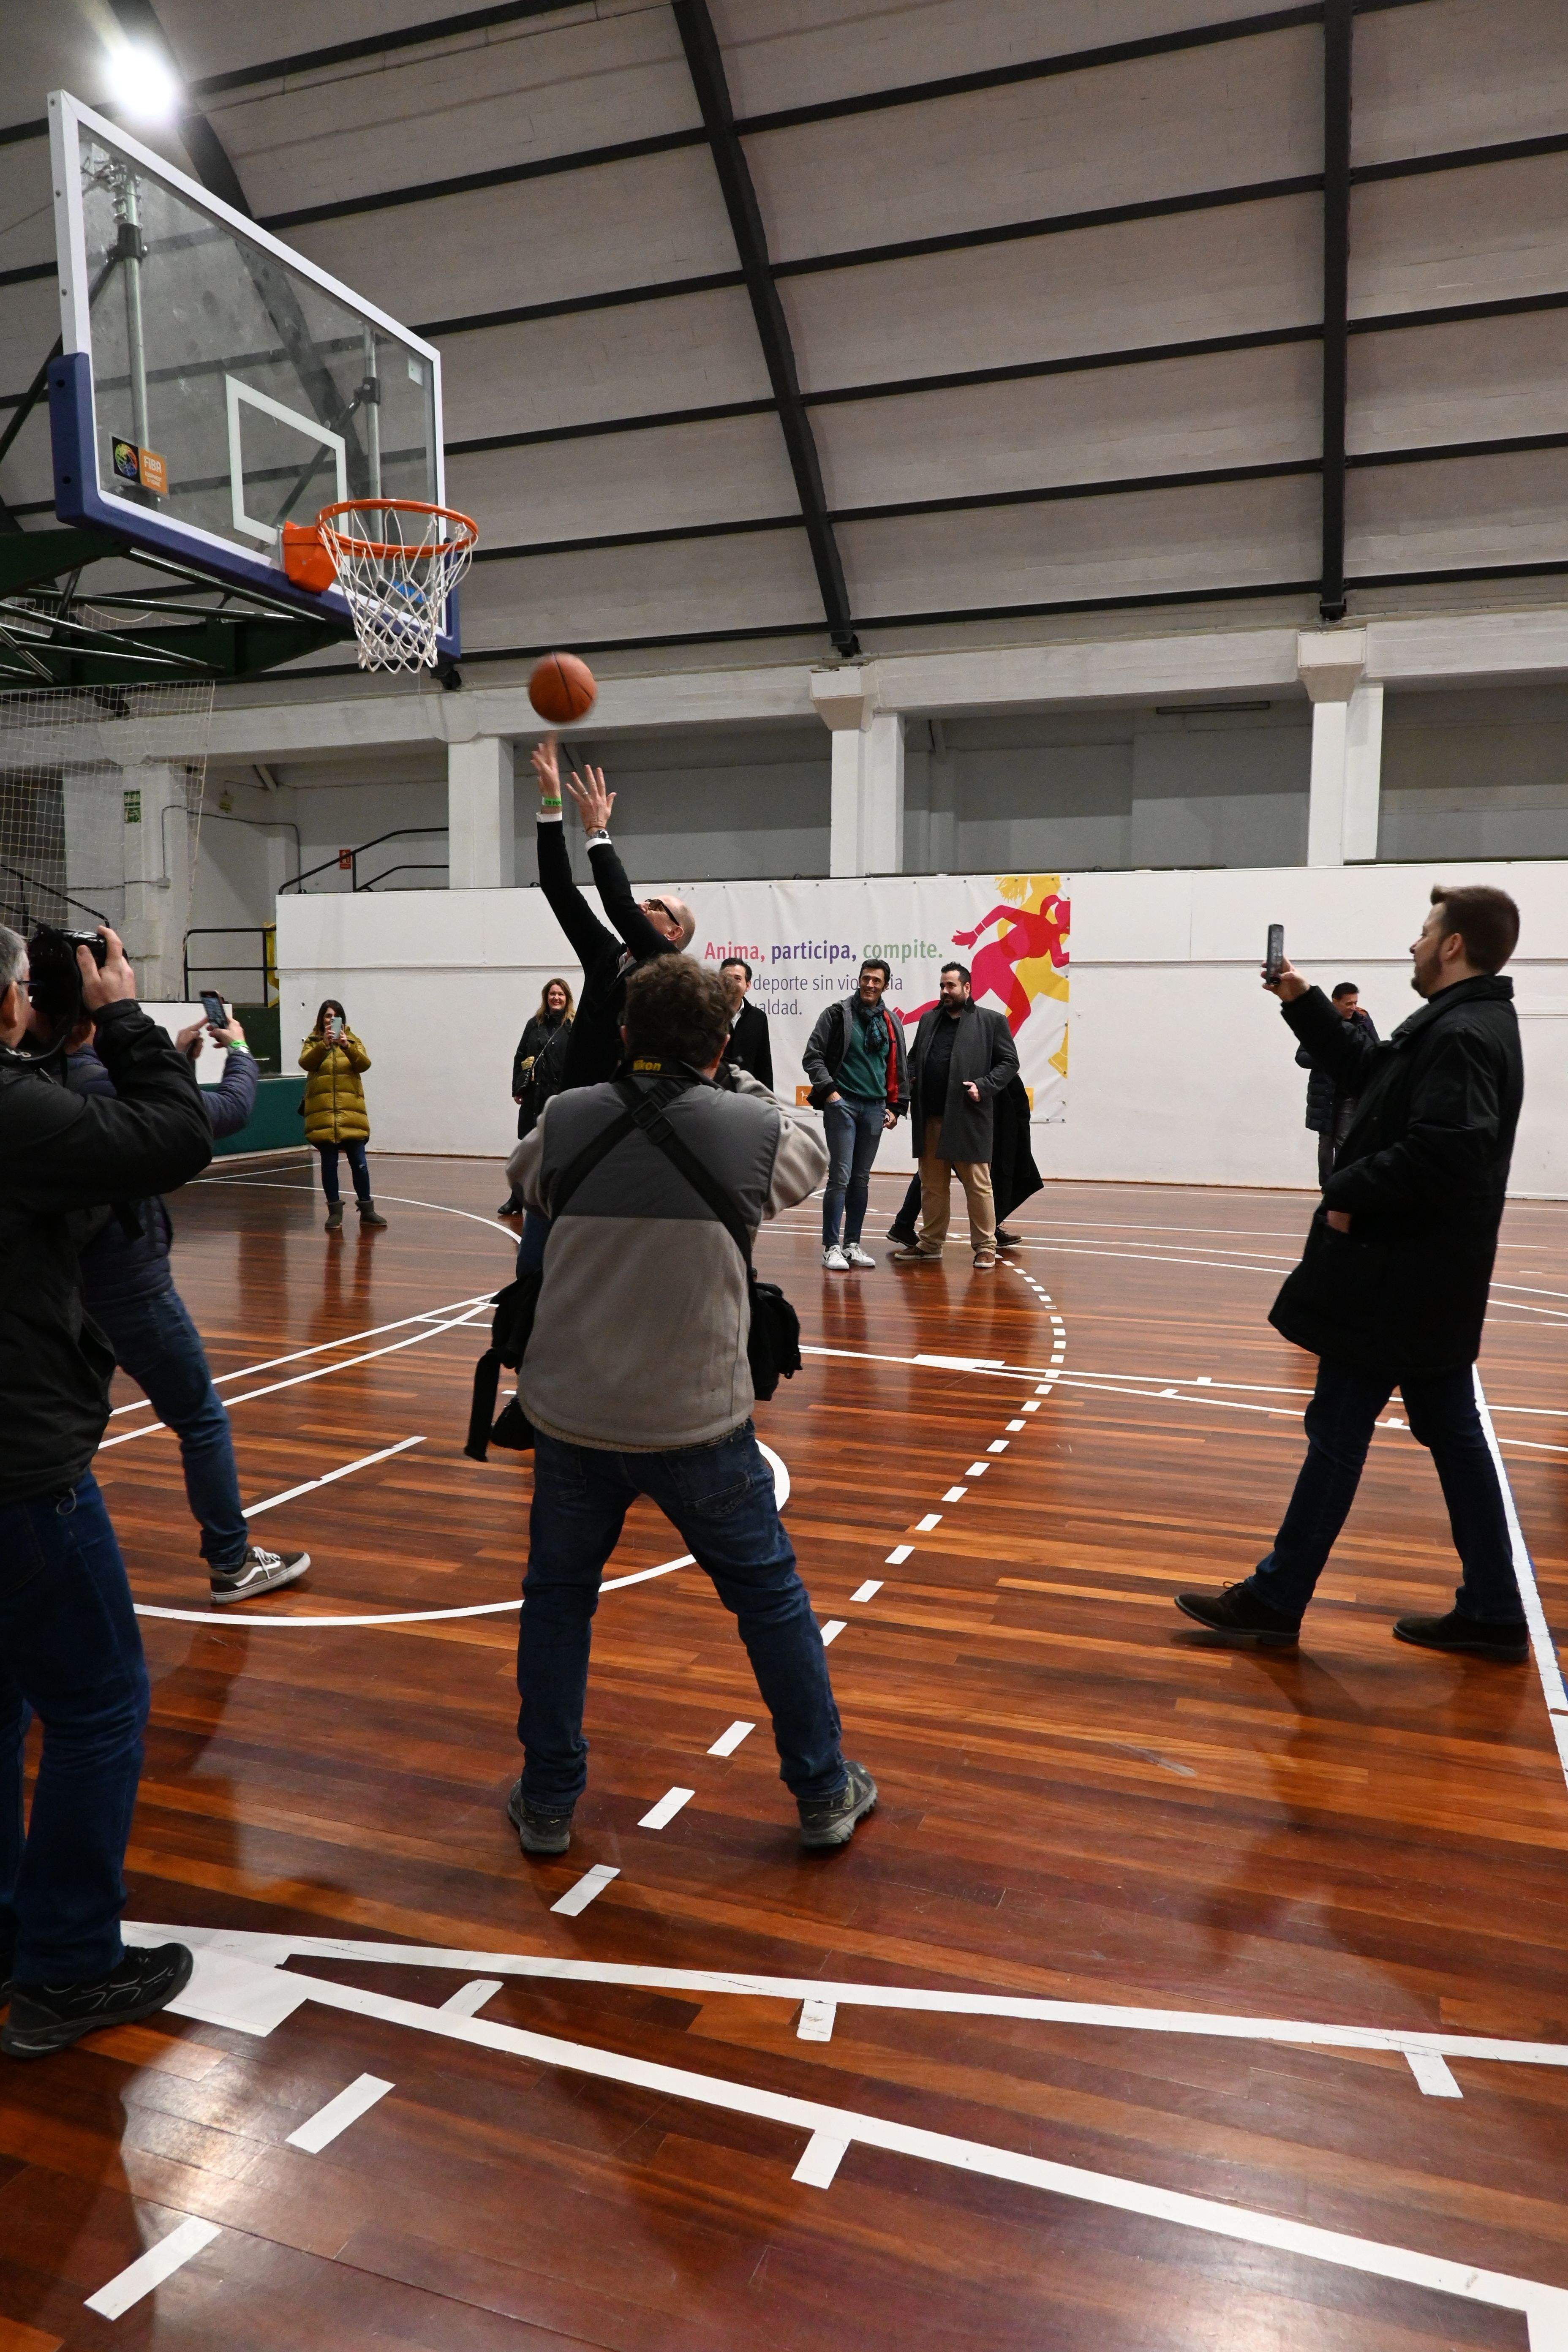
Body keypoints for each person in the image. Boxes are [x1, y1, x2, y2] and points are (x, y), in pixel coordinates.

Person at [506, 954, 876, 1855]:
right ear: (721, 1043)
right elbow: (810, 1155)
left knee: (558, 1603)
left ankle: (549, 1801)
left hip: (571, 1412)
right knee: (769, 1602)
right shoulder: (749, 1128)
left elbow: (529, 1187)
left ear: (625, 1036)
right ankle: (822, 1790)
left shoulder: (564, 1119)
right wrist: (731, 1075)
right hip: (698, 1420)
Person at [1177, 884, 1528, 1661]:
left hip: (1397, 1278)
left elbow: (1448, 1149)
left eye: (1424, 930)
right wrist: (1301, 1001)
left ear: (1452, 945)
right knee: (1447, 1431)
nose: (1411, 943)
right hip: (1423, 1280)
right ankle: (1495, 1607)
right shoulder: (1458, 1022)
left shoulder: (1464, 1032)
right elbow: (1371, 1075)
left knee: (1337, 1428)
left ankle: (1276, 1596)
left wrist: (1345, 1187)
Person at [0, 922, 212, 2057]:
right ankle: (70, 1963)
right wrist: (123, 1013)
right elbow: (172, 1136)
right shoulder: (17, 1110)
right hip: (23, 1467)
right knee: (98, 1703)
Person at [66, 1007, 310, 1607]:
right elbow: (228, 1110)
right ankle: (231, 1561)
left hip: (69, 1292)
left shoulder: (45, 1082)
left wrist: (171, 1065)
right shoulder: (100, 1086)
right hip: (131, 1289)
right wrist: (243, 1049)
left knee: (70, 1433)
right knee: (201, 1420)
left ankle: (58, 1567)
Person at [522, 737, 693, 1269]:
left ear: (673, 931)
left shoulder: (665, 963)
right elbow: (557, 887)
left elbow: (619, 903)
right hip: (573, 1116)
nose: (646, 902)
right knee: (537, 1257)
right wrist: (551, 808)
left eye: (658, 905)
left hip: (623, 1127)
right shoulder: (607, 956)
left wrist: (597, 831)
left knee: (598, 1257)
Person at [893, 962, 1019, 1270]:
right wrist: (910, 1077)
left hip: (969, 1118)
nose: (945, 992)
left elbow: (1009, 1063)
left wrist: (983, 1086)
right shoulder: (928, 1020)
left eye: (951, 986)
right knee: (932, 1186)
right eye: (942, 986)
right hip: (931, 1119)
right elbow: (912, 1059)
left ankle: (986, 1247)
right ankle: (931, 1244)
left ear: (967, 988)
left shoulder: (992, 1022)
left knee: (978, 1185)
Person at [802, 959, 908, 1271]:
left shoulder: (891, 1022)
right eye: (866, 979)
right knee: (841, 1177)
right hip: (843, 1105)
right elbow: (813, 1056)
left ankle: (852, 1245)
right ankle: (830, 1247)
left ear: (886, 985)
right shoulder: (837, 1014)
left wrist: (896, 1107)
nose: (870, 985)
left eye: (877, 981)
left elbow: (900, 1067)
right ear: (858, 980)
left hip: (876, 1108)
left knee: (861, 1180)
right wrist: (831, 1093)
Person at [887, 1070, 1039, 1250]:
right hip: (961, 1100)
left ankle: (905, 1225)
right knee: (942, 1170)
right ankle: (907, 1226)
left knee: (948, 1169)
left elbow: (1007, 1059)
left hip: (984, 1092)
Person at [300, 999, 387, 1234]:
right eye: (328, 1016)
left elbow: (365, 1064)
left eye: (336, 1016)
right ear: (321, 1019)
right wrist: (324, 1045)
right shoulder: (313, 1042)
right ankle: (334, 1213)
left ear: (342, 1020)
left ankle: (367, 1210)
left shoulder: (354, 1041)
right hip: (324, 1115)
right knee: (329, 1166)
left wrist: (347, 1047)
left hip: (351, 1114)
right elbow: (305, 1063)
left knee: (359, 1164)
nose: (331, 1020)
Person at [498, 978, 574, 1215]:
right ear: (546, 997)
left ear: (567, 998)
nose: (556, 998)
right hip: (534, 1097)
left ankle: (556, 1203)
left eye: (560, 994)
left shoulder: (574, 1026)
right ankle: (517, 1200)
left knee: (558, 1151)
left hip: (560, 1098)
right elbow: (520, 1056)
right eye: (552, 994)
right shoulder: (535, 1024)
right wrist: (517, 1089)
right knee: (529, 1151)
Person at [1298, 981, 1378, 1187]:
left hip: (1351, 1092)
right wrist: (1329, 1056)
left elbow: (1376, 1052)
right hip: (1324, 1094)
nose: (1353, 1008)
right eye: (1348, 1003)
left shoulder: (1363, 1022)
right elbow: (1302, 1057)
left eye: (1355, 1003)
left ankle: (1341, 1188)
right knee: (1326, 1142)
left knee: (1345, 1141)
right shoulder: (1319, 1023)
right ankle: (1327, 1187)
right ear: (1335, 1002)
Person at [719, 958, 773, 1090]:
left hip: (747, 1093)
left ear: (748, 985)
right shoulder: (708, 1013)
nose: (731, 982)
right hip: (714, 1093)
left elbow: (764, 1064)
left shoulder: (758, 1018)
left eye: (737, 978)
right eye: (726, 978)